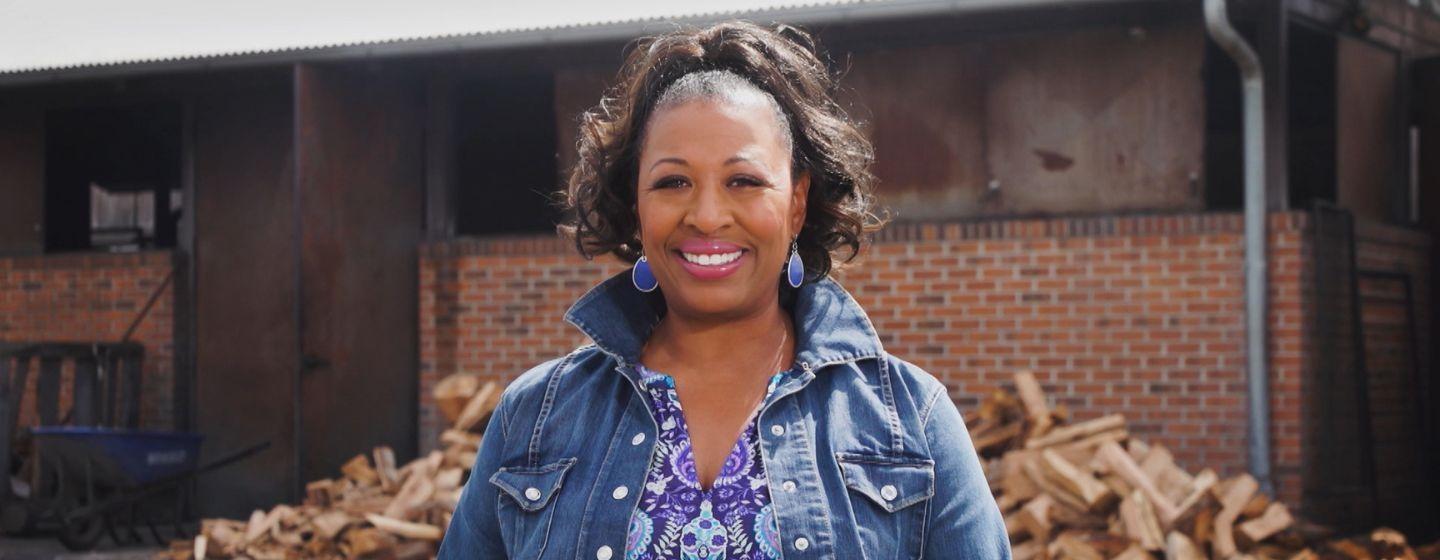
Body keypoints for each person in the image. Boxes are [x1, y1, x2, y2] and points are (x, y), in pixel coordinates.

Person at [439, 20, 1010, 560]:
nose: (707, 216)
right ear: (636, 208)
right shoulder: (535, 417)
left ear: (796, 203)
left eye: (743, 181)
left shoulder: (911, 420)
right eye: (672, 182)